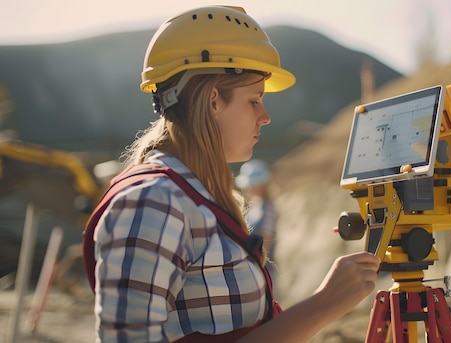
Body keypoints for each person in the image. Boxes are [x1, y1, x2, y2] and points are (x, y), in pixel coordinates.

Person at [91, 6, 380, 343]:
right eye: (254, 100)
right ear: (214, 100)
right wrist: (322, 305)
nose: (265, 116)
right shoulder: (153, 201)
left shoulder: (190, 199)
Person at [235, 159, 277, 261]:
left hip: (262, 264)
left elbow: (266, 242)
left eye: (252, 185)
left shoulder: (268, 210)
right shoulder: (256, 207)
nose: (247, 189)